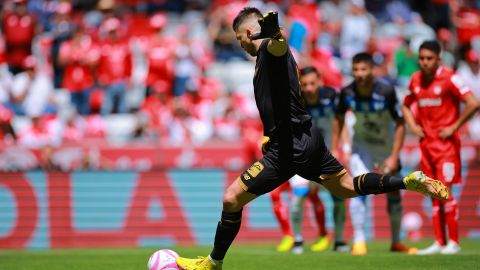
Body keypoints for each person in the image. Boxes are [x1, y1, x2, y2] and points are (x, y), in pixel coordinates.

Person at [176, 8, 449, 270]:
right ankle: (407, 181)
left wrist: (277, 37)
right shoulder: (267, 57)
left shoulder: (270, 50)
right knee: (345, 187)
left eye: (239, 39)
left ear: (249, 32)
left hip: (290, 148)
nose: (240, 45)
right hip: (307, 139)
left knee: (231, 198)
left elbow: (278, 48)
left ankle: (213, 263)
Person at [332, 53, 416, 255]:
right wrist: (337, 147)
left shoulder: (386, 91)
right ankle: (359, 240)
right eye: (356, 70)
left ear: (372, 70)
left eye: (364, 69)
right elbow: (339, 119)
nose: (360, 74)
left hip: (386, 147)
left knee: (393, 191)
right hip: (362, 147)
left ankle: (396, 241)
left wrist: (395, 155)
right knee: (357, 188)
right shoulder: (347, 92)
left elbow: (400, 123)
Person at [401, 40, 480, 255]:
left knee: (445, 193)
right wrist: (413, 126)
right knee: (433, 193)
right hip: (427, 146)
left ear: (438, 59)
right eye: (422, 58)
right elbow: (405, 105)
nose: (425, 62)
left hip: (446, 147)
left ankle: (454, 241)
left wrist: (454, 126)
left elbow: (473, 103)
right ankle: (440, 242)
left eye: (429, 58)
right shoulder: (416, 79)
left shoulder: (450, 77)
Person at [288, 66, 349, 255]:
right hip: (303, 158)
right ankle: (297, 240)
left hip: (328, 156)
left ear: (320, 81)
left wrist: (342, 147)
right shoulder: (296, 101)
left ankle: (339, 240)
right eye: (304, 84)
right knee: (298, 197)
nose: (308, 88)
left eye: (312, 83)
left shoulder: (332, 96)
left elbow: (341, 120)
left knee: (338, 197)